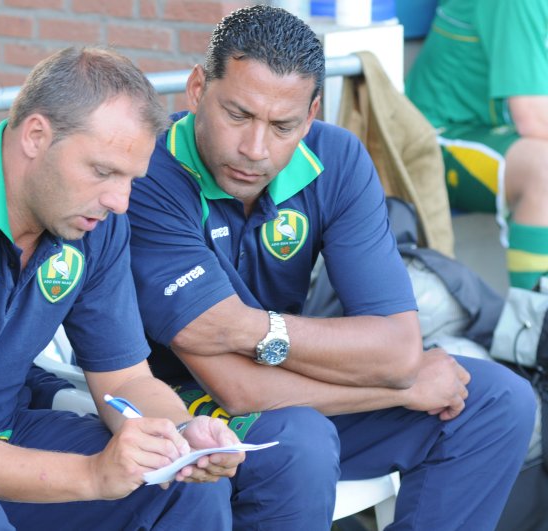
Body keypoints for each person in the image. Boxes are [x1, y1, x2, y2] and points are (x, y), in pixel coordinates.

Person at [126, 5, 537, 530]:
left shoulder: (336, 157)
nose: (255, 148)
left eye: (282, 125)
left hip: (297, 384)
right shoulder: (149, 176)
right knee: (301, 442)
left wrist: (251, 328)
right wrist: (402, 389)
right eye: (238, 115)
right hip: (181, 405)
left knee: (497, 401)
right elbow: (239, 390)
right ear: (197, 87)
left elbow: (399, 348)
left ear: (312, 113)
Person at [0, 47, 243, 530]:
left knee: (185, 491)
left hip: (10, 433)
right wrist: (92, 475)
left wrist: (183, 436)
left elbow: (125, 381)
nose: (119, 201)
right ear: (36, 136)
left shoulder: (95, 223)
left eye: (131, 178)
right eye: (103, 170)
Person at [406, 0, 548, 290]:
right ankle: (534, 327)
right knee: (544, 171)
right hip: (434, 138)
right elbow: (534, 118)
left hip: (497, 133)